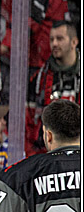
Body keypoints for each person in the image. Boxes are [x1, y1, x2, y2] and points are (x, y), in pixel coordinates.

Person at [27, 21, 80, 155]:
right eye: (52, 39)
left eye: (60, 38)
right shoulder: (40, 78)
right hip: (48, 154)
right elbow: (30, 120)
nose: (54, 44)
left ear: (74, 42)